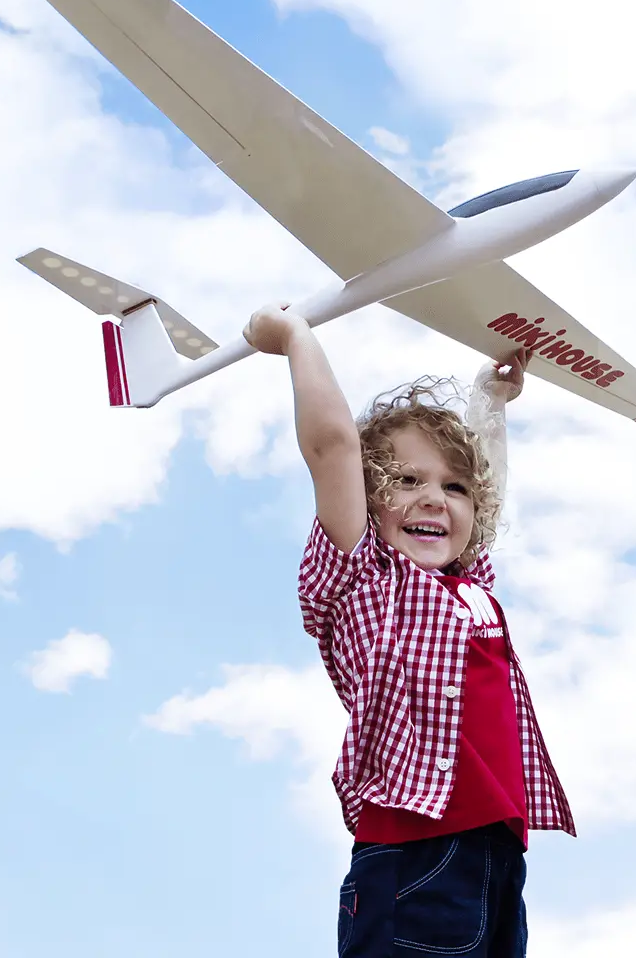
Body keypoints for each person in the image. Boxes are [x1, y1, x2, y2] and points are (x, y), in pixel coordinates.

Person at [241, 302, 575, 957]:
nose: (433, 498)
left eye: (452, 488)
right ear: (367, 496)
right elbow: (333, 446)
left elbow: (484, 490)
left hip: (497, 858)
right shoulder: (363, 578)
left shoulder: (470, 587)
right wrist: (295, 336)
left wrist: (490, 403)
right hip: (415, 853)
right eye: (406, 480)